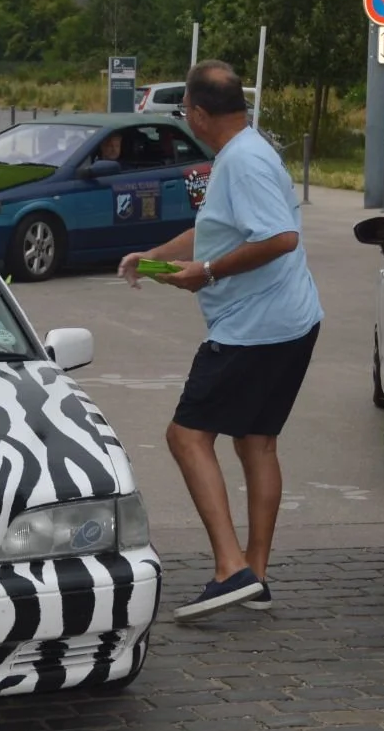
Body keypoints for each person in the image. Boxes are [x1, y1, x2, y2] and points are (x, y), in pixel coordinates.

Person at [118, 60, 322, 620]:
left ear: (200, 113)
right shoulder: (247, 151)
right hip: (288, 320)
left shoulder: (244, 162)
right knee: (256, 442)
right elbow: (216, 229)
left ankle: (231, 569)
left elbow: (279, 238)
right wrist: (155, 257)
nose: (186, 118)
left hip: (257, 327)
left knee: (186, 436)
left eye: (186, 110)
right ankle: (255, 575)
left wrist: (207, 273)